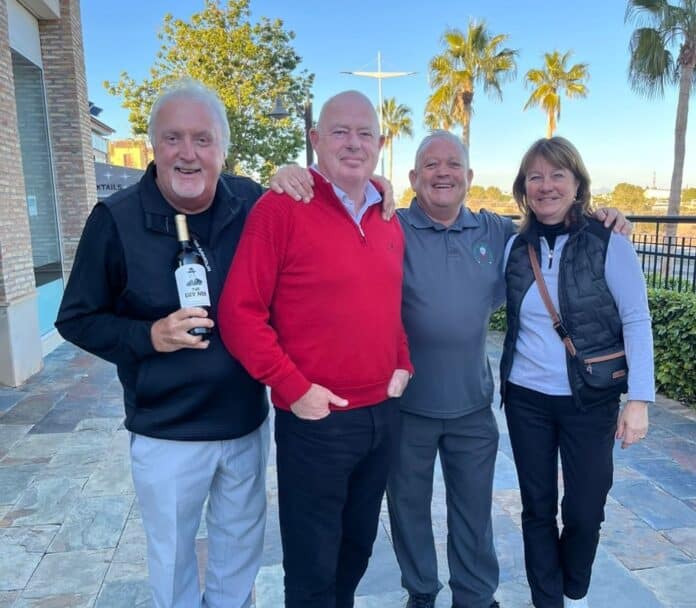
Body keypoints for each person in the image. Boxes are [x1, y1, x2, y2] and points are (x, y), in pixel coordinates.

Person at [270, 130, 630, 608]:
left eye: (453, 165)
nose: (443, 173)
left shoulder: (498, 232)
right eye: (431, 165)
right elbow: (338, 214)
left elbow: (554, 222)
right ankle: (421, 593)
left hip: (472, 408)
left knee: (474, 511)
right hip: (405, 406)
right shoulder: (386, 226)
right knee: (409, 510)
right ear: (414, 178)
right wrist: (289, 176)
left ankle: (476, 597)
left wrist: (606, 216)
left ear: (469, 176)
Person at [55, 79, 270, 608]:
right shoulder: (116, 219)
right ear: (153, 145)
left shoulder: (252, 202)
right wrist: (148, 336)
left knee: (239, 555)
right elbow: (76, 318)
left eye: (202, 139)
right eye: (173, 138)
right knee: (173, 560)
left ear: (223, 147)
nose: (188, 153)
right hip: (167, 432)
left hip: (244, 422)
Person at [218, 90, 413, 608]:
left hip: (381, 415)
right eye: (340, 132)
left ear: (379, 142)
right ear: (315, 140)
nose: (353, 143)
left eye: (364, 133)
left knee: (357, 551)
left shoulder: (389, 216)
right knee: (311, 568)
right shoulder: (281, 207)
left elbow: (388, 303)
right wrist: (293, 388)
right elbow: (240, 315)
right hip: (316, 420)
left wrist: (402, 362)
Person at [499, 136, 653, 608]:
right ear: (523, 189)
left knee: (585, 509)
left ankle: (574, 587)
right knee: (537, 508)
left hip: (590, 399)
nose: (546, 185)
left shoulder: (611, 243)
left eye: (557, 175)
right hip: (526, 398)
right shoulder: (514, 247)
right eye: (535, 177)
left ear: (577, 183)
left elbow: (636, 319)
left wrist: (639, 401)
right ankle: (548, 601)